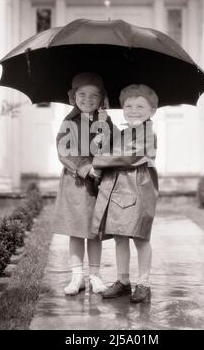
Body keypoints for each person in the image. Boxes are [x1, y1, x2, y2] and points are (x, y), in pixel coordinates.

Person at [91, 84, 159, 303]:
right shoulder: (124, 132)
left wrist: (99, 161)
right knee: (120, 236)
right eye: (128, 105)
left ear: (152, 111)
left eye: (141, 106)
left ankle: (145, 283)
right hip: (119, 190)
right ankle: (123, 281)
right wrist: (104, 122)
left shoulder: (148, 133)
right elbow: (109, 146)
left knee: (140, 237)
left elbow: (128, 156)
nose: (133, 110)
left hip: (139, 189)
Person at [54, 72, 112, 295]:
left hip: (98, 183)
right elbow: (63, 149)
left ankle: (95, 275)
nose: (87, 99)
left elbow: (113, 147)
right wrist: (85, 167)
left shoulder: (105, 120)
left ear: (102, 98)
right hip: (76, 183)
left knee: (95, 231)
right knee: (77, 230)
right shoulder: (69, 121)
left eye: (94, 96)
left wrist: (103, 139)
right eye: (82, 94)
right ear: (73, 97)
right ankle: (77, 275)